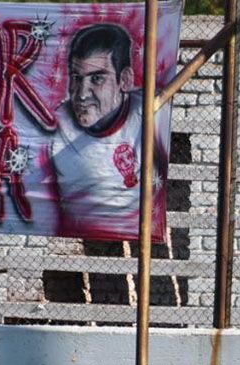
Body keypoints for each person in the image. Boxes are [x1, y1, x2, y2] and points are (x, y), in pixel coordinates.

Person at [46, 23, 167, 241]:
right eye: (76, 77)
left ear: (125, 80)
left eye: (97, 78)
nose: (82, 94)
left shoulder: (152, 112)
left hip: (141, 237)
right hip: (78, 241)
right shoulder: (56, 125)